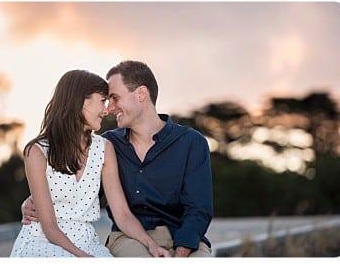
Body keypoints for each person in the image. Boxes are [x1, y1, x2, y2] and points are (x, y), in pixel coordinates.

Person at [22, 61, 214, 257]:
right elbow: (76, 188)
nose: (110, 108)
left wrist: (181, 254)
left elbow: (199, 209)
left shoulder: (191, 142)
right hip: (128, 239)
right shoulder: (108, 144)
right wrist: (32, 201)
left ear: (140, 94)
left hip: (183, 237)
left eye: (114, 98)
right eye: (105, 100)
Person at [10, 70, 171, 257]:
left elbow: (122, 214)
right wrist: (82, 257)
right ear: (81, 101)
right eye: (102, 100)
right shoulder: (37, 151)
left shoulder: (104, 148)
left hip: (87, 242)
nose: (106, 110)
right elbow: (49, 225)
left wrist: (151, 245)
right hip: (43, 240)